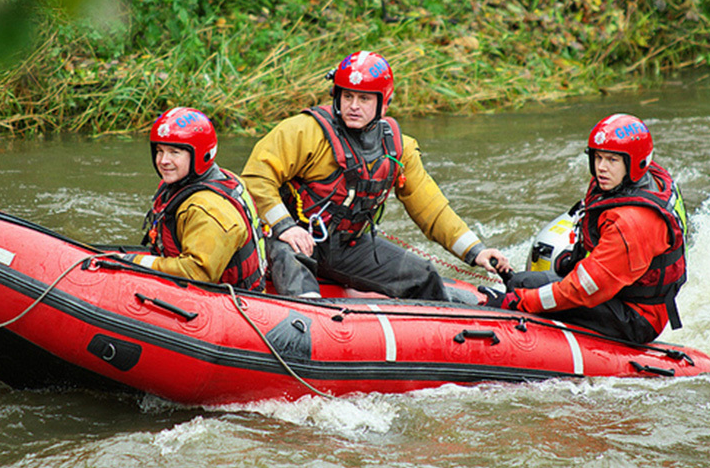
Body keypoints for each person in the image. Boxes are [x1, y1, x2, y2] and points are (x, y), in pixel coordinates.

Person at [240, 50, 511, 301]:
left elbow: (432, 209)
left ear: (384, 103)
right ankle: (308, 320)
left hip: (347, 246)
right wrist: (286, 226)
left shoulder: (398, 148)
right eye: (347, 96)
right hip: (289, 238)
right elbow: (256, 178)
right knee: (292, 259)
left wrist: (476, 252)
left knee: (423, 275)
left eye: (364, 98)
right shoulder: (304, 131)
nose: (353, 106)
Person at [500, 113, 688, 343]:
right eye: (598, 157)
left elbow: (586, 287)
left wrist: (526, 301)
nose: (601, 168)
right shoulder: (638, 181)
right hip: (622, 292)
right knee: (523, 282)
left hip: (637, 316)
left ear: (636, 162)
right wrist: (572, 261)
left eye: (612, 160)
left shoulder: (632, 222)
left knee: (522, 287)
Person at [125, 107, 267, 291]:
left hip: (231, 303)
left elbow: (197, 274)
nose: (163, 160)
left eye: (174, 152)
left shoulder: (208, 210)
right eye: (159, 151)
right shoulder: (192, 182)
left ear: (201, 154)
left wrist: (136, 262)